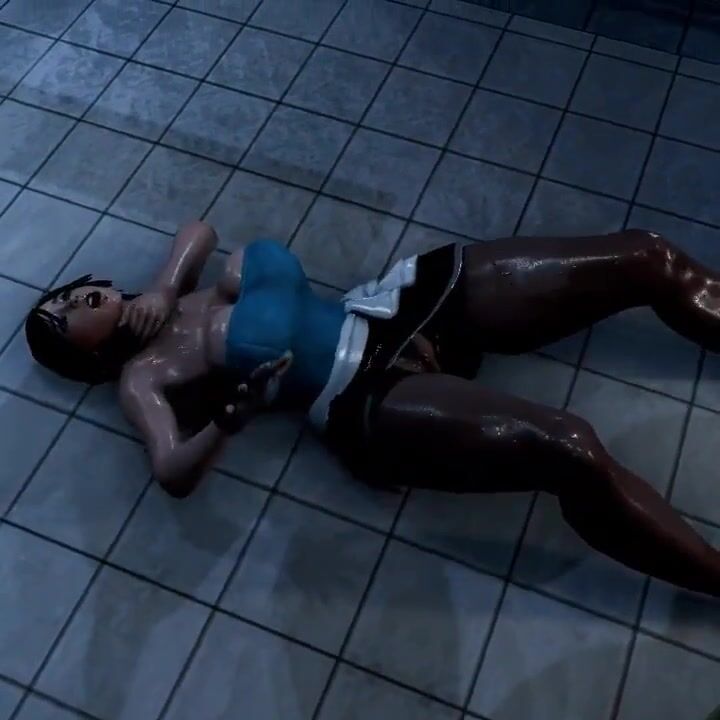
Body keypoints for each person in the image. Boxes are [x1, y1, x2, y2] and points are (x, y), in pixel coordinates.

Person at [24, 220, 720, 598]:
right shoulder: (144, 377)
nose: (79, 299)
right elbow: (172, 469)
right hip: (362, 395)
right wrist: (229, 421)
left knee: (646, 255)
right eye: (66, 315)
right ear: (85, 354)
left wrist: (165, 288)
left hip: (393, 307)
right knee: (570, 448)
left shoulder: (187, 292)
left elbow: (197, 232)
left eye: (70, 292)